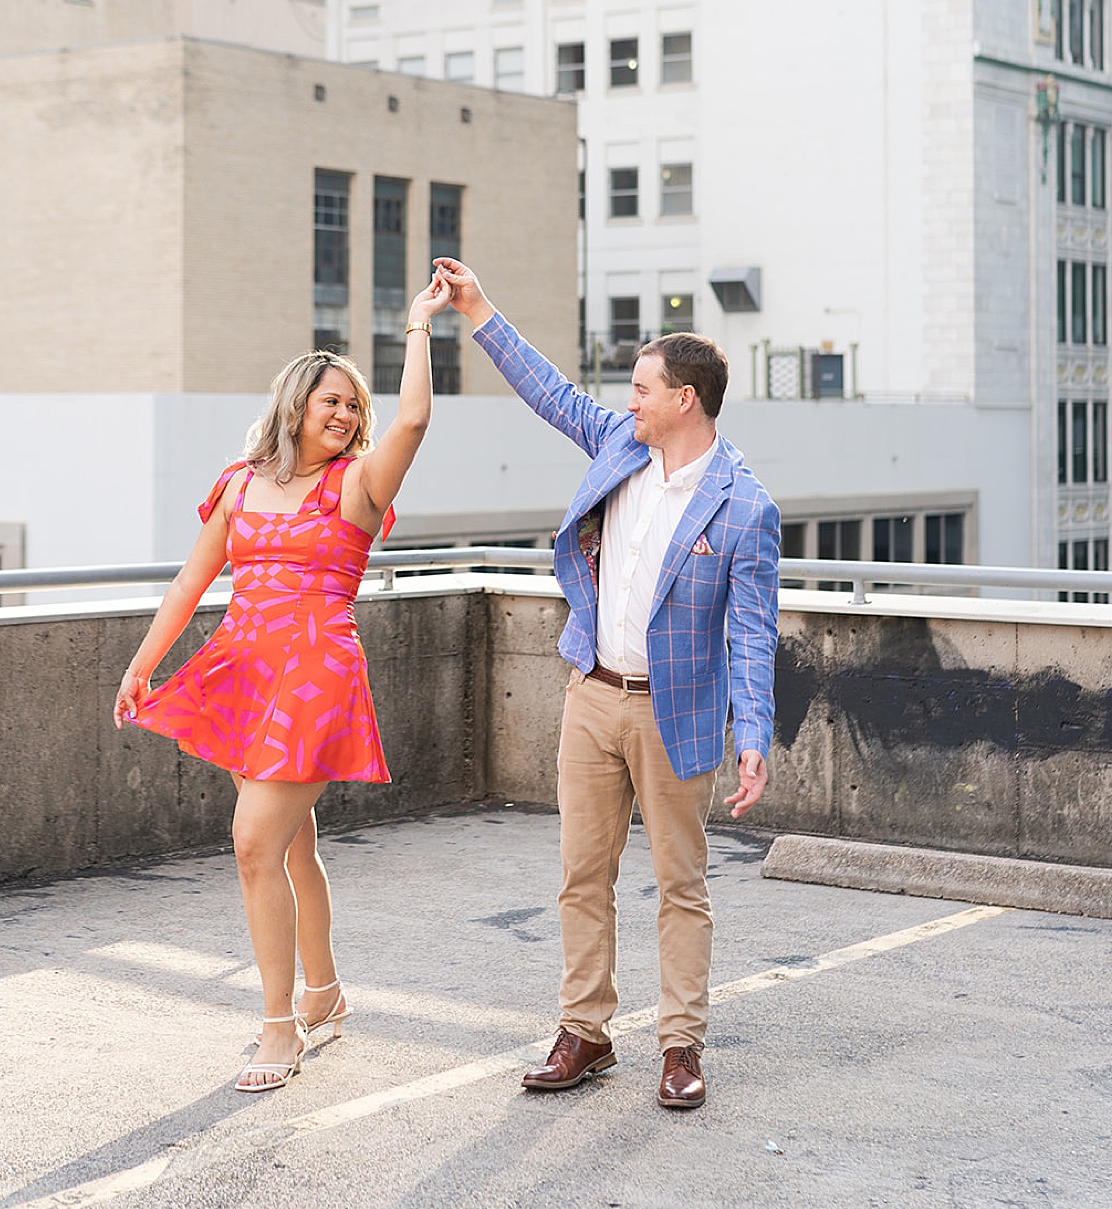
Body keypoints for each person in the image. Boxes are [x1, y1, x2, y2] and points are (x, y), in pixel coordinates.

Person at [434, 257, 779, 1112]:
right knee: (582, 871)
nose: (628, 400)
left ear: (684, 399)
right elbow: (550, 391)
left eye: (641, 388)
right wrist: (478, 307)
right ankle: (585, 1031)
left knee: (680, 884)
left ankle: (680, 1045)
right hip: (591, 693)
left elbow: (752, 630)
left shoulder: (745, 506)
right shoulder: (621, 444)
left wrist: (754, 733)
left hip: (677, 711)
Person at [114, 271, 453, 1093]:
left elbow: (413, 416)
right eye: (331, 401)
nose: (344, 415)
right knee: (294, 845)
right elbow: (190, 584)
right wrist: (142, 663)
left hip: (315, 672)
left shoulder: (361, 481)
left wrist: (417, 327)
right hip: (242, 669)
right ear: (296, 400)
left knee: (254, 842)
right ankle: (326, 988)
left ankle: (279, 1025)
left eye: (353, 407)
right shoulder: (238, 482)